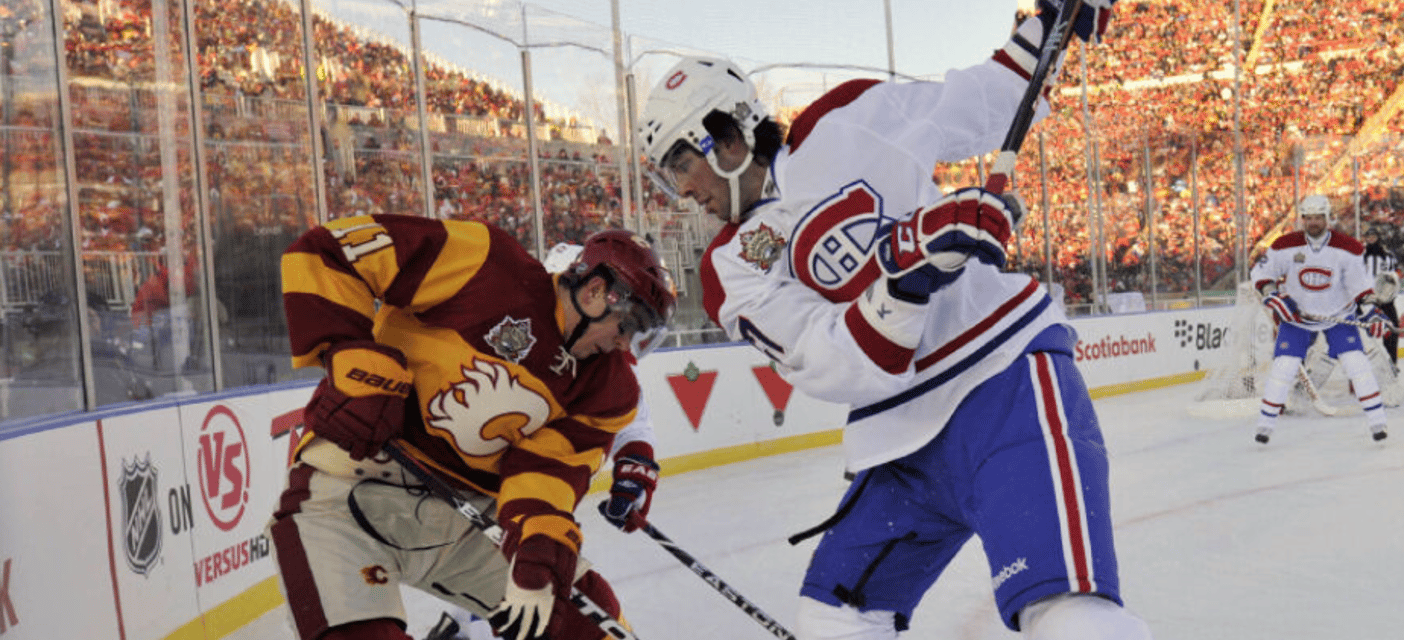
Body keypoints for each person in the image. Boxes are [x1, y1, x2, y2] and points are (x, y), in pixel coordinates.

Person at [634, 1, 1149, 638]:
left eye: (681, 164)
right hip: (902, 440)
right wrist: (906, 270)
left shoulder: (845, 119)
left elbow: (990, 98)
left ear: (728, 137)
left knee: (1065, 609)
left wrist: (1053, 21)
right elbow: (830, 361)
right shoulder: (731, 267)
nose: (681, 190)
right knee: (833, 614)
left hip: (1003, 378)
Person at [268, 217, 675, 640]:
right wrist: (351, 357)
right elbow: (330, 249)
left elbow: (548, 472)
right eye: (627, 328)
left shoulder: (608, 388)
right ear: (594, 293)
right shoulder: (485, 261)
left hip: (464, 520)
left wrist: (538, 544)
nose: (626, 346)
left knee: (586, 625)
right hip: (345, 485)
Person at [1251, 195, 1392, 444]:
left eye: (1319, 217)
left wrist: (1370, 309)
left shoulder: (1348, 248)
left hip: (1338, 314)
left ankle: (1377, 422)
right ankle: (1265, 425)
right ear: (1302, 219)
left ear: (1328, 218)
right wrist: (1271, 295)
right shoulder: (1285, 245)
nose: (1313, 222)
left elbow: (1360, 286)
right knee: (1283, 367)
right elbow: (1262, 273)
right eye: (1309, 218)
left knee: (1356, 363)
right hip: (1298, 316)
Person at [1360, 226, 1401, 371]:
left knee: (1392, 328)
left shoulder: (1388, 256)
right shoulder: (1360, 255)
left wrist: (1389, 293)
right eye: (1368, 236)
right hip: (1366, 300)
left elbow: (1394, 276)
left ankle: (1392, 362)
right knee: (1362, 334)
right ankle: (1361, 366)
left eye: (1374, 236)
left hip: (1385, 299)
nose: (1371, 239)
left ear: (1378, 237)